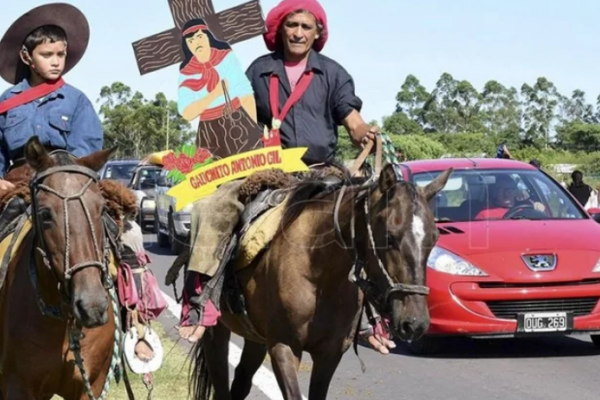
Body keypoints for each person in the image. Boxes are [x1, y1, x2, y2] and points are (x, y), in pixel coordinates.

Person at [178, 0, 396, 355]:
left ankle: (373, 316)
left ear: (317, 34)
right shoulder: (259, 71)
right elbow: (238, 119)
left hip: (320, 172)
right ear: (280, 30)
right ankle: (201, 299)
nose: (298, 33)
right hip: (267, 172)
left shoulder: (333, 74)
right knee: (213, 206)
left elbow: (351, 116)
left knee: (366, 220)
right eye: (292, 25)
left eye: (306, 27)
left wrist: (362, 131)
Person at [0, 2, 155, 365]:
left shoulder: (78, 101)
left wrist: (66, 178)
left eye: (61, 54)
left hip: (68, 188)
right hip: (16, 190)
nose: (56, 61)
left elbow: (88, 151)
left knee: (127, 234)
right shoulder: (5, 104)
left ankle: (138, 326)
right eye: (47, 54)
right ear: (27, 55)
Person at [177, 18, 262, 158]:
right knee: (214, 173)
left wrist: (252, 130)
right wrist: (214, 94)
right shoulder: (186, 73)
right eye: (190, 41)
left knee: (249, 167)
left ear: (208, 36)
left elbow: (245, 93)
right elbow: (187, 112)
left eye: (199, 37)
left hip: (237, 120)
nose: (196, 43)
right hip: (209, 130)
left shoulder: (226, 57)